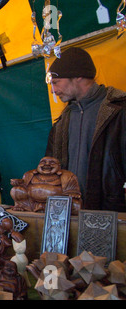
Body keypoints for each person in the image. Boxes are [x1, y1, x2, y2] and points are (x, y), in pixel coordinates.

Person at [45, 46, 126, 212]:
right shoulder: (60, 124)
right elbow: (50, 168)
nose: (53, 90)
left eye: (55, 82)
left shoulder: (120, 112)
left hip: (112, 213)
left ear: (78, 75)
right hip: (71, 214)